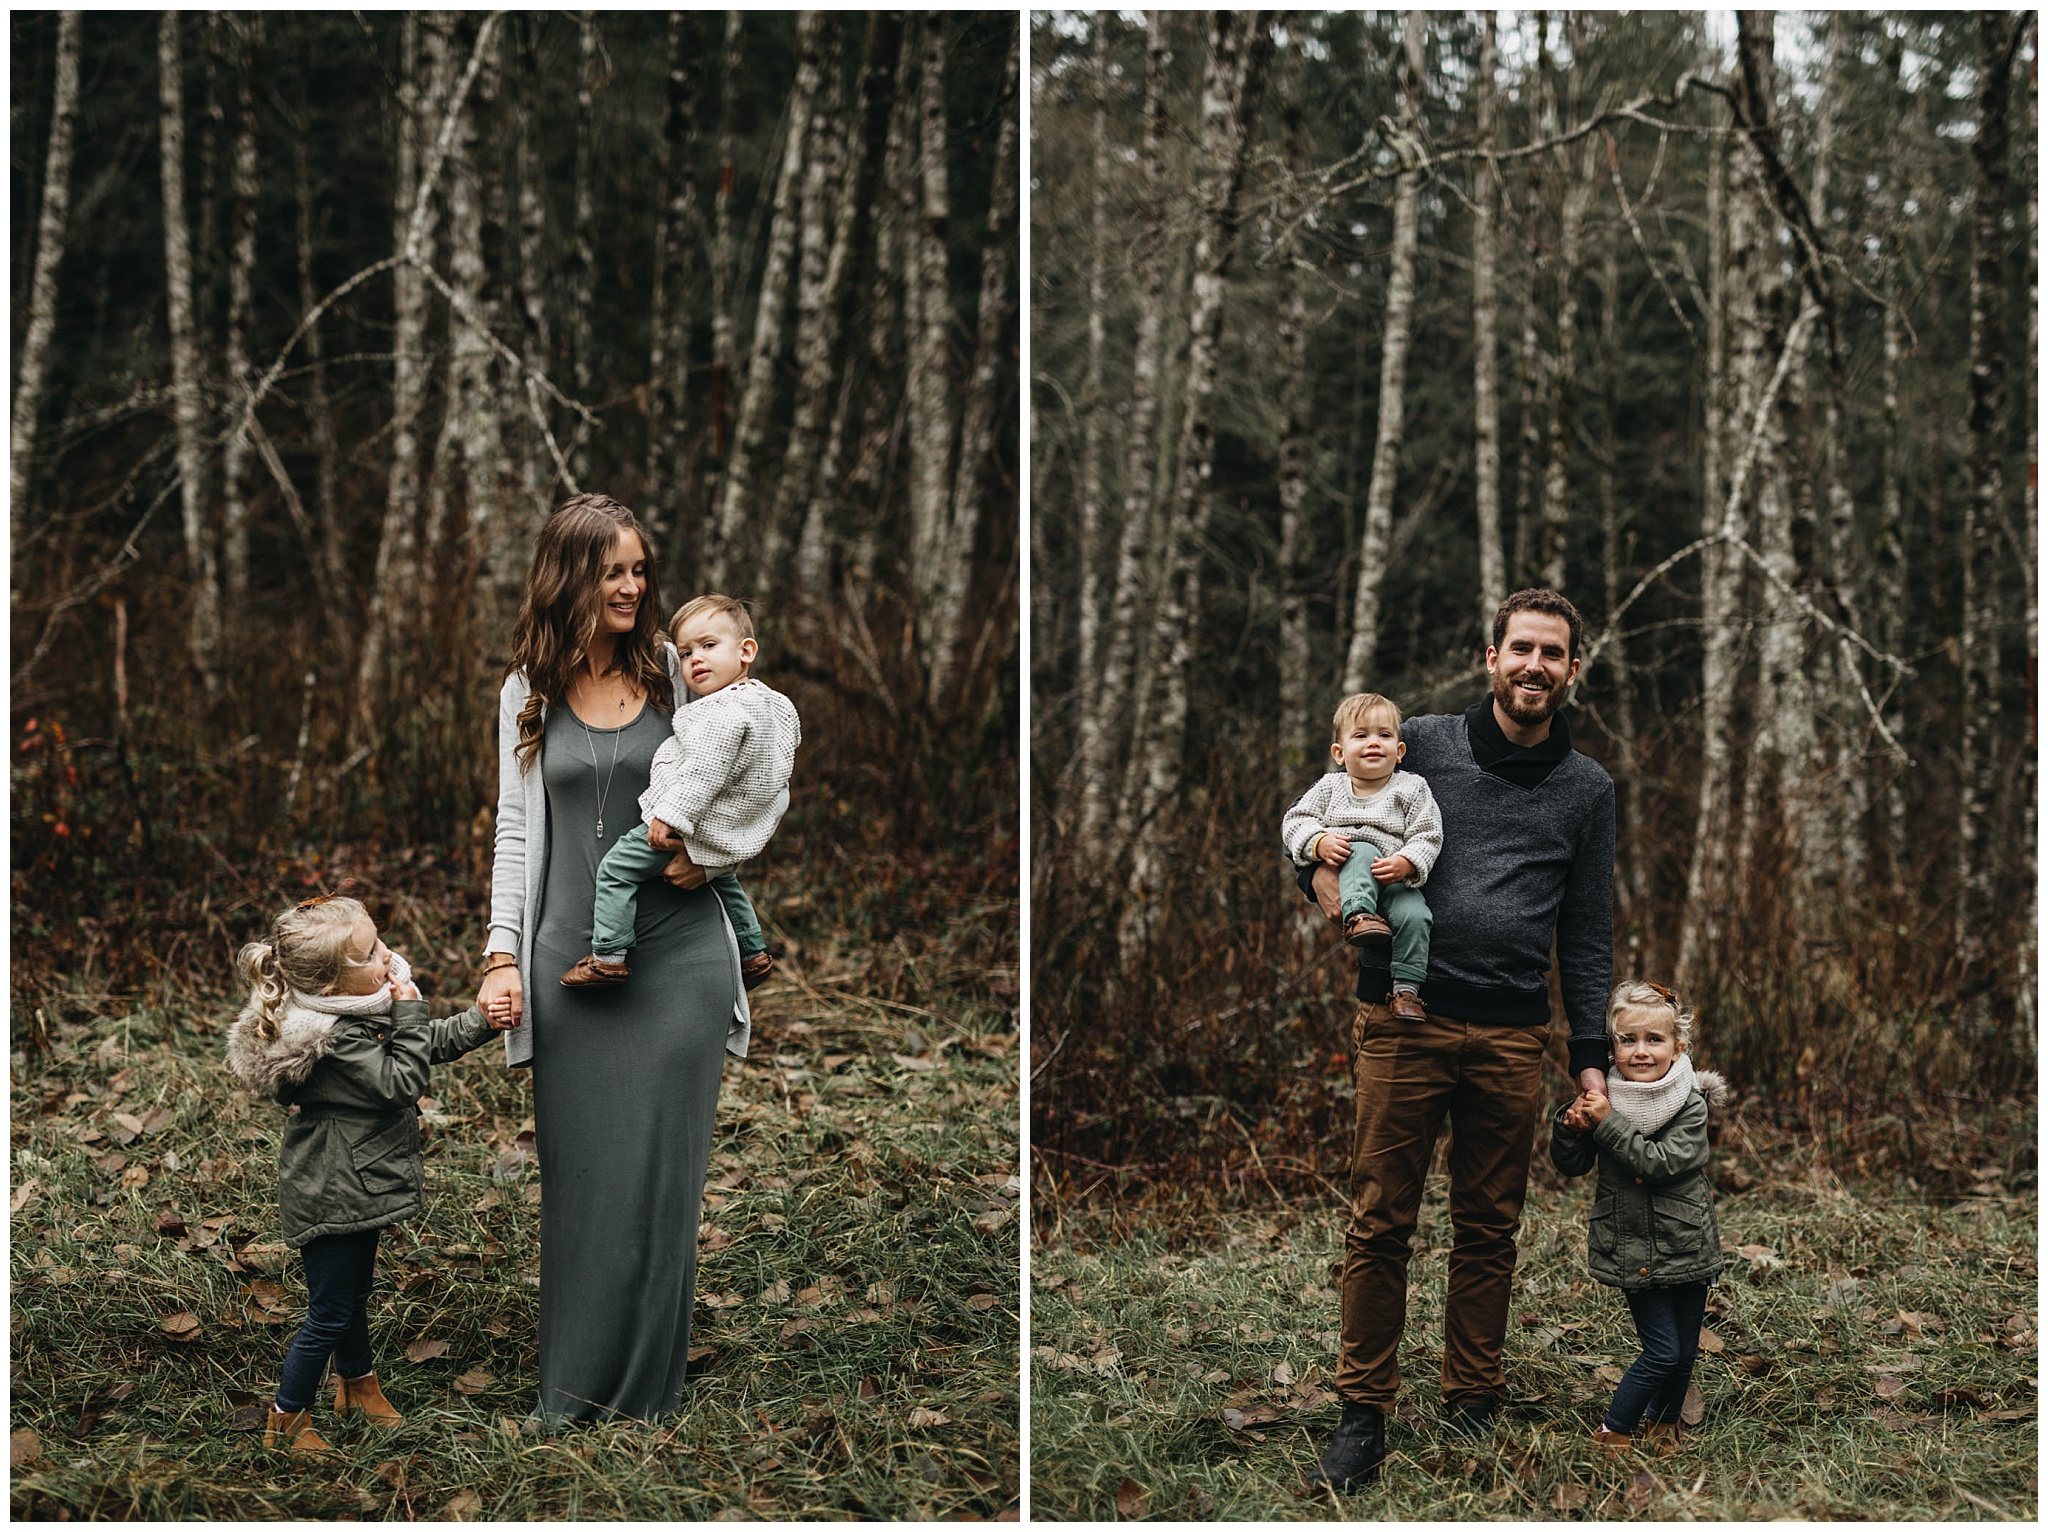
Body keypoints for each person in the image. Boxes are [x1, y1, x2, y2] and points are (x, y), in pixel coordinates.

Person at [1302, 588, 1615, 1490]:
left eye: (1552, 654)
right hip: (1406, 1020)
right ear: (1491, 657)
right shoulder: (1422, 744)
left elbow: (1585, 937)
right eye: (1521, 648)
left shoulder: (1587, 791)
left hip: (1515, 1033)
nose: (1534, 667)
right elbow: (1326, 821)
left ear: (1572, 671)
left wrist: (1587, 1060)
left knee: (1491, 1227)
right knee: (1381, 1221)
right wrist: (1320, 885)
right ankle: (1363, 1413)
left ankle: (1473, 1400)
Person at [477, 493, 754, 1426]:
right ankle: (574, 1389)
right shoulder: (527, 689)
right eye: (614, 571)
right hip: (569, 963)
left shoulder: (681, 673)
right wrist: (499, 954)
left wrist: (704, 858)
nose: (634, 586)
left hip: (677, 959)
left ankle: (646, 1395)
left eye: (640, 568)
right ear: (571, 578)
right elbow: (517, 832)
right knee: (585, 1181)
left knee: (659, 1176)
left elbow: (755, 783)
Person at [225, 895, 514, 1455]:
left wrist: (481, 1021)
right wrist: (409, 1010)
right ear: (332, 985)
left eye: (380, 942)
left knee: (353, 1297)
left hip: (357, 1181)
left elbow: (419, 1046)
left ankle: (357, 1387)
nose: (388, 955)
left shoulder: (353, 1012)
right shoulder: (335, 1038)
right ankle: (285, 1423)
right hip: (333, 1191)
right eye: (372, 953)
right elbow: (403, 1080)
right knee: (329, 1313)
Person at [558, 592, 799, 991]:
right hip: (726, 823)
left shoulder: (720, 712)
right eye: (686, 654)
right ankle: (753, 953)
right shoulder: (773, 705)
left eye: (708, 646)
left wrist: (670, 816)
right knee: (724, 882)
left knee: (616, 871)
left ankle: (608, 956)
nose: (695, 660)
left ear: (746, 651)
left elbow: (703, 771)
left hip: (688, 820)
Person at [1550, 980, 1727, 1456]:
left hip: (1687, 1242)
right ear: (1612, 1046)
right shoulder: (1603, 1098)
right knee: (1663, 1350)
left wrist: (1607, 1123)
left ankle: (1664, 1422)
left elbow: (1663, 1163)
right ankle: (1616, 1428)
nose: (1641, 1051)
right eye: (1628, 1040)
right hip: (1631, 1244)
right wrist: (1570, 1128)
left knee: (1685, 1351)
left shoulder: (1691, 1102)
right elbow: (1571, 1166)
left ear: (1678, 1046)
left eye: (1655, 1040)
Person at [1281, 691, 1442, 1020]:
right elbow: (1295, 821)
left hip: (1393, 876)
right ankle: (1358, 918)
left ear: (1399, 752)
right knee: (1362, 847)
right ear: (1339, 753)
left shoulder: (1412, 788)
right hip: (1351, 869)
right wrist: (1318, 843)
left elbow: (1428, 833)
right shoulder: (1330, 787)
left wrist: (1408, 862)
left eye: (1384, 735)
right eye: (1361, 735)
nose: (1373, 742)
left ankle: (1406, 991)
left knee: (1417, 915)